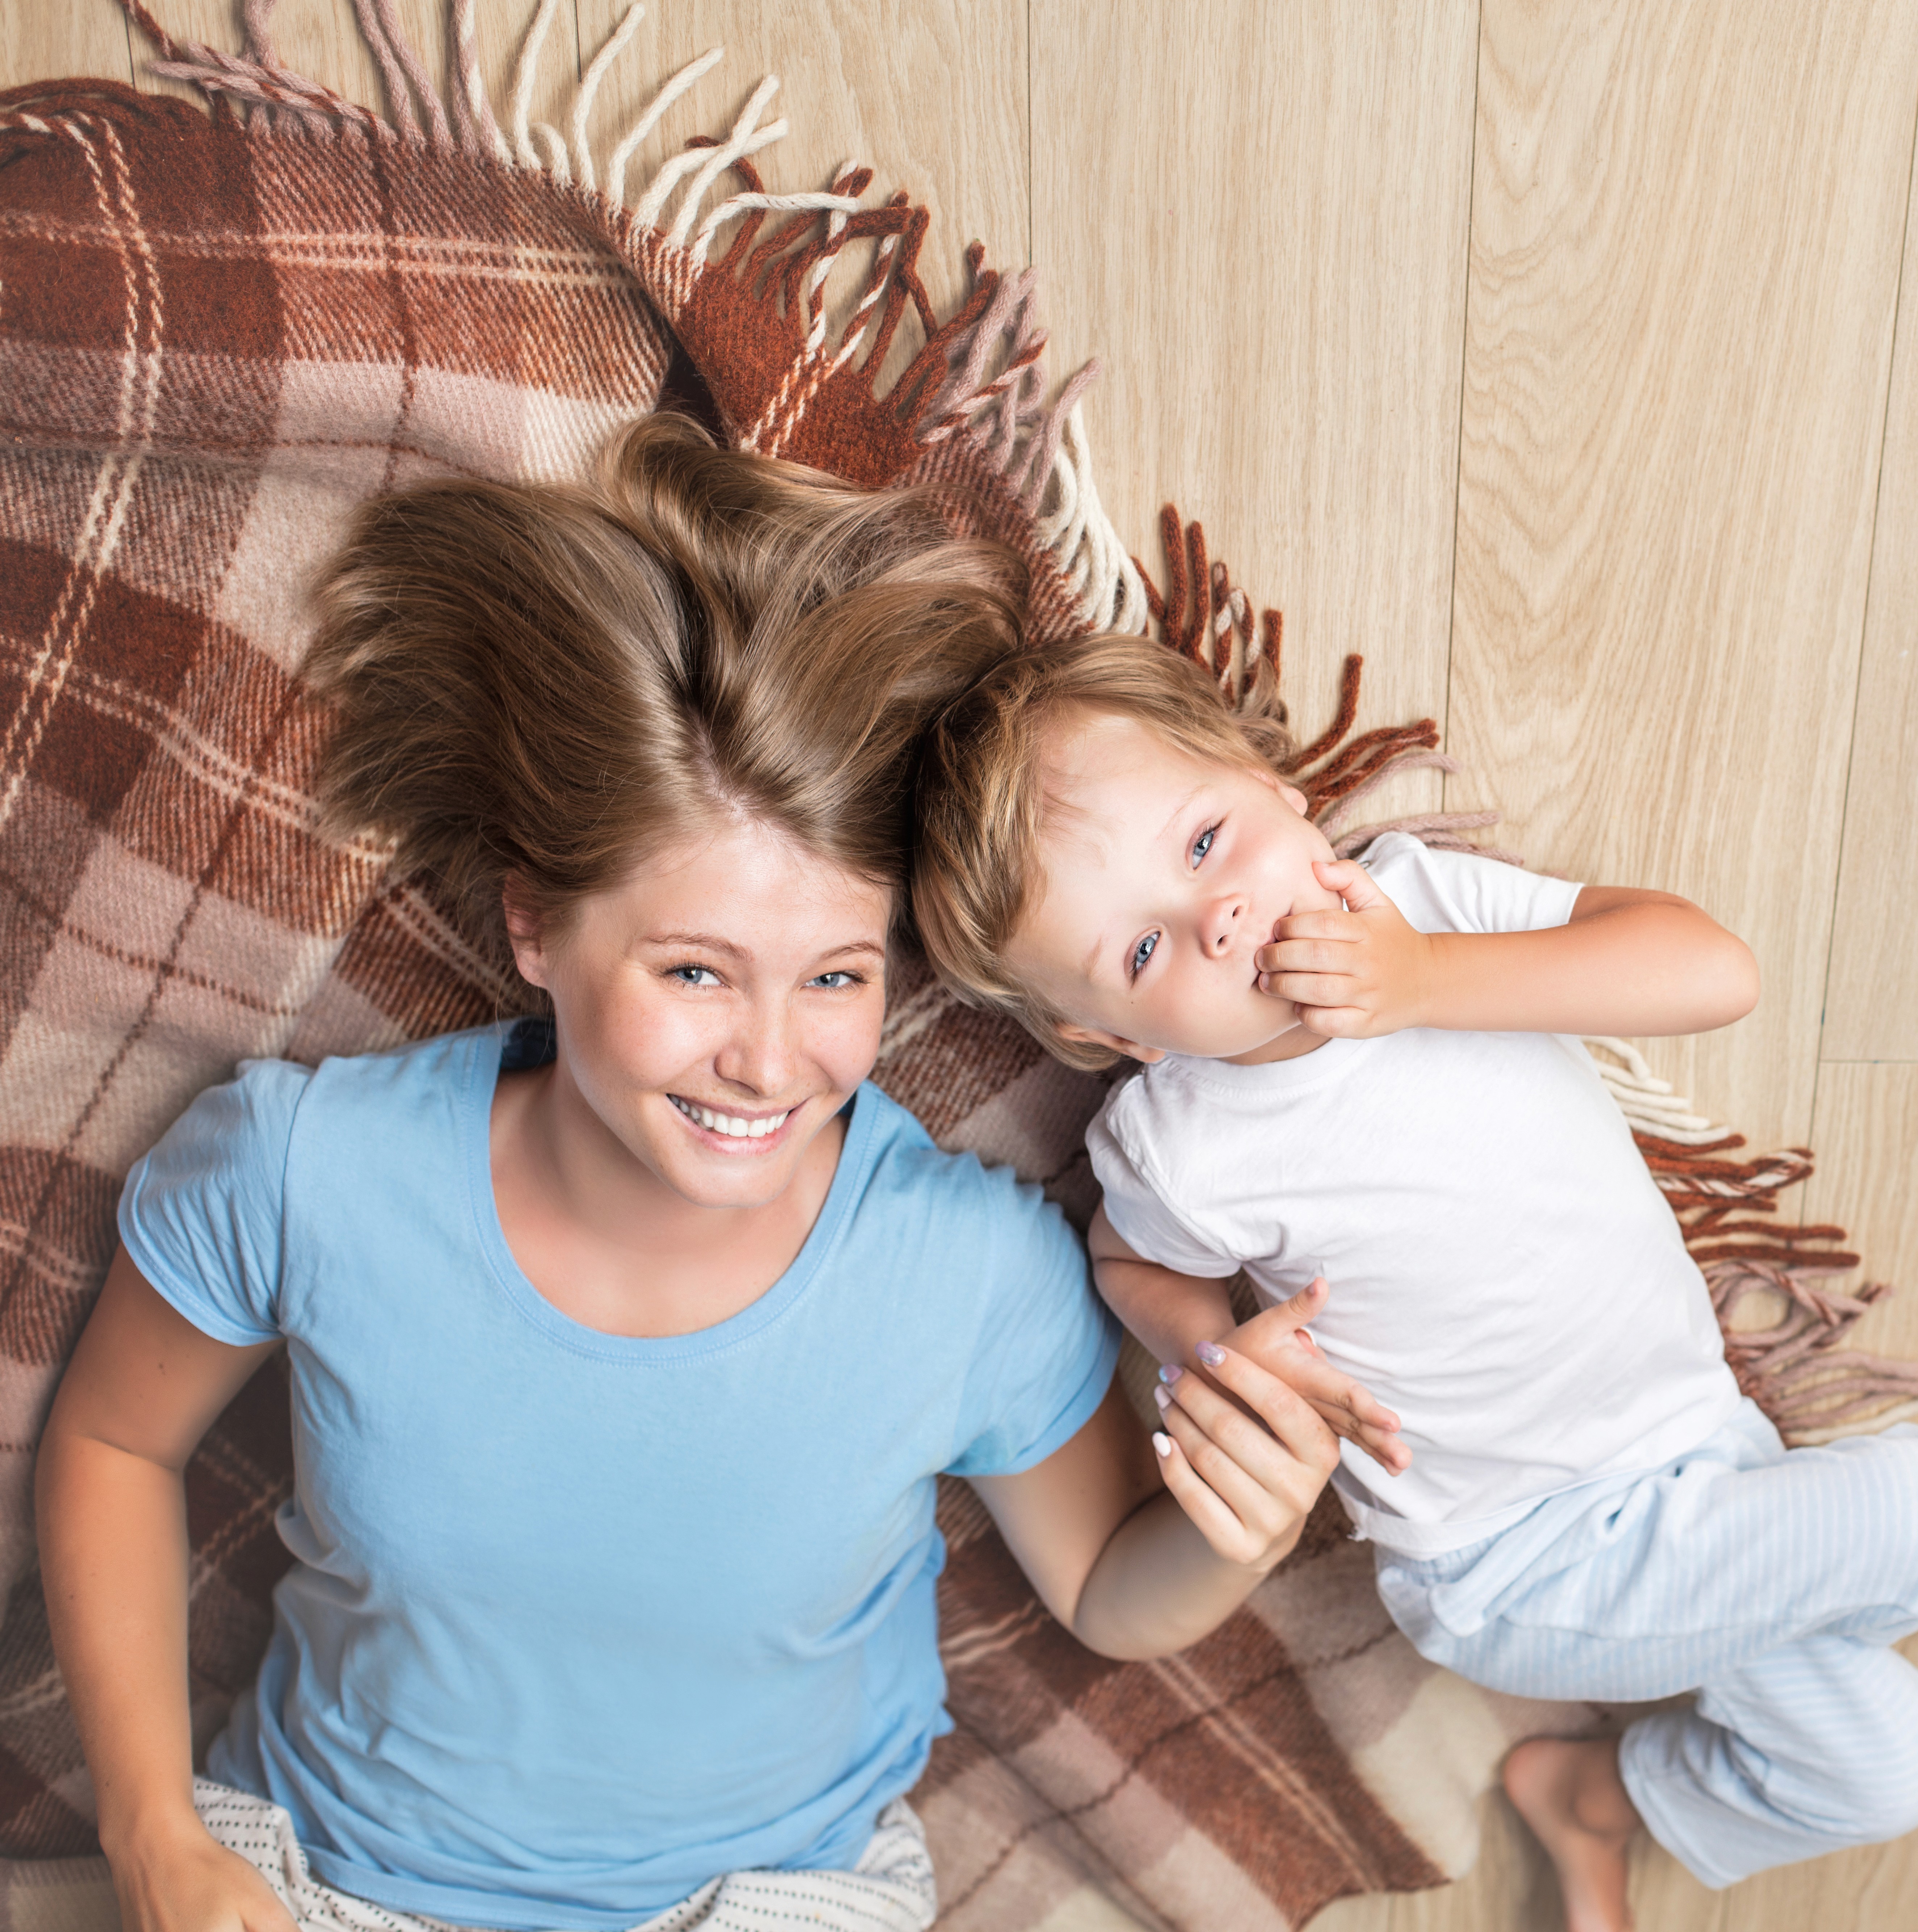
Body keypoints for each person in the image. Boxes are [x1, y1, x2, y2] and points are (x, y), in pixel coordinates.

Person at [34, 418, 1340, 1932]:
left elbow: (1113, 1587)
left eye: (836, 975)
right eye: (697, 970)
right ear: (536, 925)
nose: (771, 1058)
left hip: (777, 1900)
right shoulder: (303, 1170)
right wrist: (153, 1838)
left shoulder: (967, 1270)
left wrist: (1233, 1529)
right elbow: (113, 1446)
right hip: (330, 1887)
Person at [903, 630, 1918, 1932]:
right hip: (1519, 1559)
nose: (1220, 919)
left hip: (1699, 1440)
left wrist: (1425, 983)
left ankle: (1598, 1797)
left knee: (1895, 1765)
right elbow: (1130, 1260)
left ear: (1280, 787)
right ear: (1112, 1038)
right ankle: (1909, 1563)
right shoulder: (1184, 1142)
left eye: (1203, 846)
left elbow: (1710, 970)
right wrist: (1220, 1349)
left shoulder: (1427, 907)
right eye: (1143, 954)